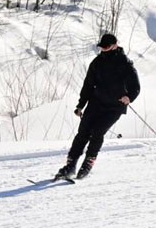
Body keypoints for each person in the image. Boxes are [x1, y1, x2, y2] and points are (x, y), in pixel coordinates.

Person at [56, 33, 140, 179]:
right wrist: (80, 105)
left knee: (97, 132)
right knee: (83, 132)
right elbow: (88, 85)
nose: (103, 50)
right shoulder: (97, 62)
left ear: (115, 45)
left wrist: (129, 97)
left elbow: (136, 86)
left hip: (114, 106)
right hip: (96, 102)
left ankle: (88, 163)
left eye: (106, 47)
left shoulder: (125, 63)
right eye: (102, 47)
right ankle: (70, 165)